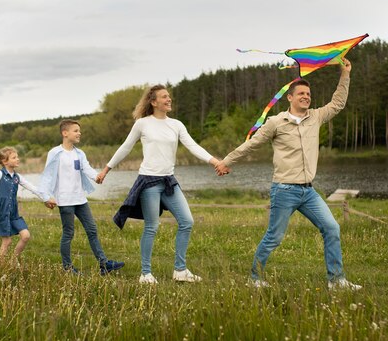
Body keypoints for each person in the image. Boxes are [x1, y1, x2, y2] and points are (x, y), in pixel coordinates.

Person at [215, 58, 361, 290]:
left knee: (332, 228)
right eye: (301, 93)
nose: (306, 96)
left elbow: (338, 104)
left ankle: (336, 280)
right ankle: (255, 278)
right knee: (275, 237)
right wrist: (226, 161)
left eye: (308, 94)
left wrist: (345, 75)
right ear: (290, 97)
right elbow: (251, 144)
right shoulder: (276, 122)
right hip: (284, 189)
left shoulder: (316, 117)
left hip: (309, 191)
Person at [96, 85, 220, 284]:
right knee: (152, 226)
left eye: (169, 96)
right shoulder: (142, 124)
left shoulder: (177, 125)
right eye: (164, 97)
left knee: (187, 222)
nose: (168, 99)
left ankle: (180, 270)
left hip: (169, 181)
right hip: (149, 182)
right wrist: (106, 169)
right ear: (153, 102)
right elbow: (125, 147)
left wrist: (215, 161)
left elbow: (192, 146)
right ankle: (145, 274)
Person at [38, 119, 124, 275]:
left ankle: (104, 264)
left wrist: (96, 177)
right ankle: (67, 268)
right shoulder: (55, 153)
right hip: (65, 201)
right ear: (65, 133)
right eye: (76, 130)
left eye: (79, 130)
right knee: (68, 233)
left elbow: (87, 168)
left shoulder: (79, 153)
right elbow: (47, 176)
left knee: (92, 230)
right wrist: (45, 197)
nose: (79, 133)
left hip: (80, 199)